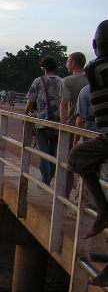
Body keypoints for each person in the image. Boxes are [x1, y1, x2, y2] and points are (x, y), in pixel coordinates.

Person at [68, 20, 108, 256]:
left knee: (78, 156)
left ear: (94, 44)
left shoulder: (97, 68)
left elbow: (103, 119)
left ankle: (103, 209)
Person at [24, 55, 62, 185]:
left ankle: (45, 181)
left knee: (43, 150)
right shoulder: (61, 81)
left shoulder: (39, 81)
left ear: (43, 67)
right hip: (57, 121)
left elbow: (31, 100)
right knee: (53, 153)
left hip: (42, 120)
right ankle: (49, 178)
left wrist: (25, 114)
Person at [59, 52, 89, 198]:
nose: (66, 64)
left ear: (73, 63)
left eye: (67, 61)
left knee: (68, 161)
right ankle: (83, 196)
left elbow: (65, 103)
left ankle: (65, 193)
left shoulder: (67, 80)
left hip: (73, 123)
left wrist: (62, 124)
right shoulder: (91, 81)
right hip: (89, 126)